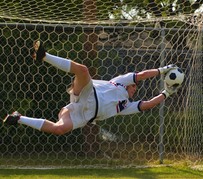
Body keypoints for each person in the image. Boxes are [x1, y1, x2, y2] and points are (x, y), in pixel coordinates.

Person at [3, 41, 182, 135]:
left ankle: (18, 118)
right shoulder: (120, 81)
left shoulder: (125, 106)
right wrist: (161, 71)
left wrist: (167, 92)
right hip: (88, 94)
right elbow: (142, 75)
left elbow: (148, 104)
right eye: (134, 86)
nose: (135, 88)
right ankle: (43, 56)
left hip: (85, 114)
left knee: (59, 129)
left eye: (136, 88)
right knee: (82, 70)